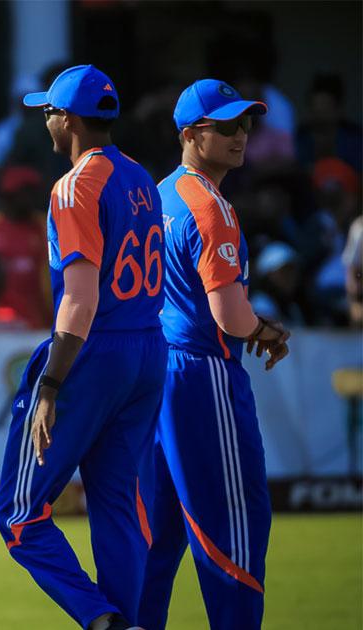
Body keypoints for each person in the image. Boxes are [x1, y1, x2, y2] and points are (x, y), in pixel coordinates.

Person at [0, 65, 166, 630]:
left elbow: (80, 300)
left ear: (67, 120)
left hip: (93, 351)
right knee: (118, 508)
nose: (45, 121)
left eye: (48, 112)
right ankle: (130, 621)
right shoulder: (141, 177)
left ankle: (101, 618)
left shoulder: (74, 186)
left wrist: (50, 383)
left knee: (19, 513)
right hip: (147, 346)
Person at [138, 78, 291, 630]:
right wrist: (266, 330)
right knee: (234, 535)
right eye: (226, 126)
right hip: (203, 375)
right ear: (189, 134)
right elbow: (230, 317)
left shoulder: (158, 194)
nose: (241, 134)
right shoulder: (210, 206)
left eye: (245, 123)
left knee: (154, 542)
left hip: (154, 373)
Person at [0, 165, 52, 328]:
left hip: (38, 322)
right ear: (9, 195)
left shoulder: (45, 225)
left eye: (33, 191)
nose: (30, 198)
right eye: (25, 192)